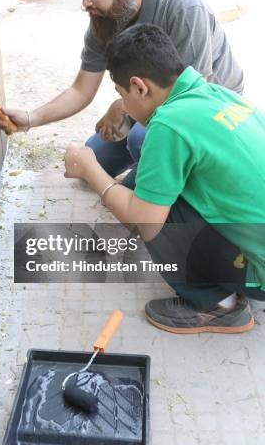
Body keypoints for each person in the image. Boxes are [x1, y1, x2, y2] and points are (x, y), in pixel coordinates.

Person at [64, 23, 265, 333]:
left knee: (155, 213)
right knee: (158, 179)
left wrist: (91, 169)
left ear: (139, 86)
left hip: (258, 275)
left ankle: (217, 305)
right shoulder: (218, 94)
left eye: (121, 94)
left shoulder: (170, 124)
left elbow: (144, 220)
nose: (124, 104)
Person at [0, 0, 243, 187]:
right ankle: (155, 165)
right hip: (146, 100)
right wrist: (30, 119)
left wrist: (123, 107)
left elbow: (191, 96)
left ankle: (180, 181)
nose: (85, 3)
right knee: (96, 158)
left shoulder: (182, 6)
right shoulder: (104, 19)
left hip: (208, 104)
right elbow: (81, 89)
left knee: (138, 141)